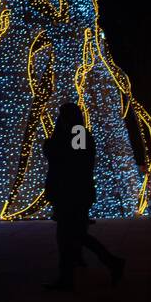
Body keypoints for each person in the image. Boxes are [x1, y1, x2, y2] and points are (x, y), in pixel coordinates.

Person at [43, 101, 125, 290]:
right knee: (75, 236)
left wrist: (53, 148)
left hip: (73, 193)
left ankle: (69, 278)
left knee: (69, 236)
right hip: (69, 192)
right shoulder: (70, 134)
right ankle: (110, 263)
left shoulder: (78, 133)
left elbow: (75, 160)